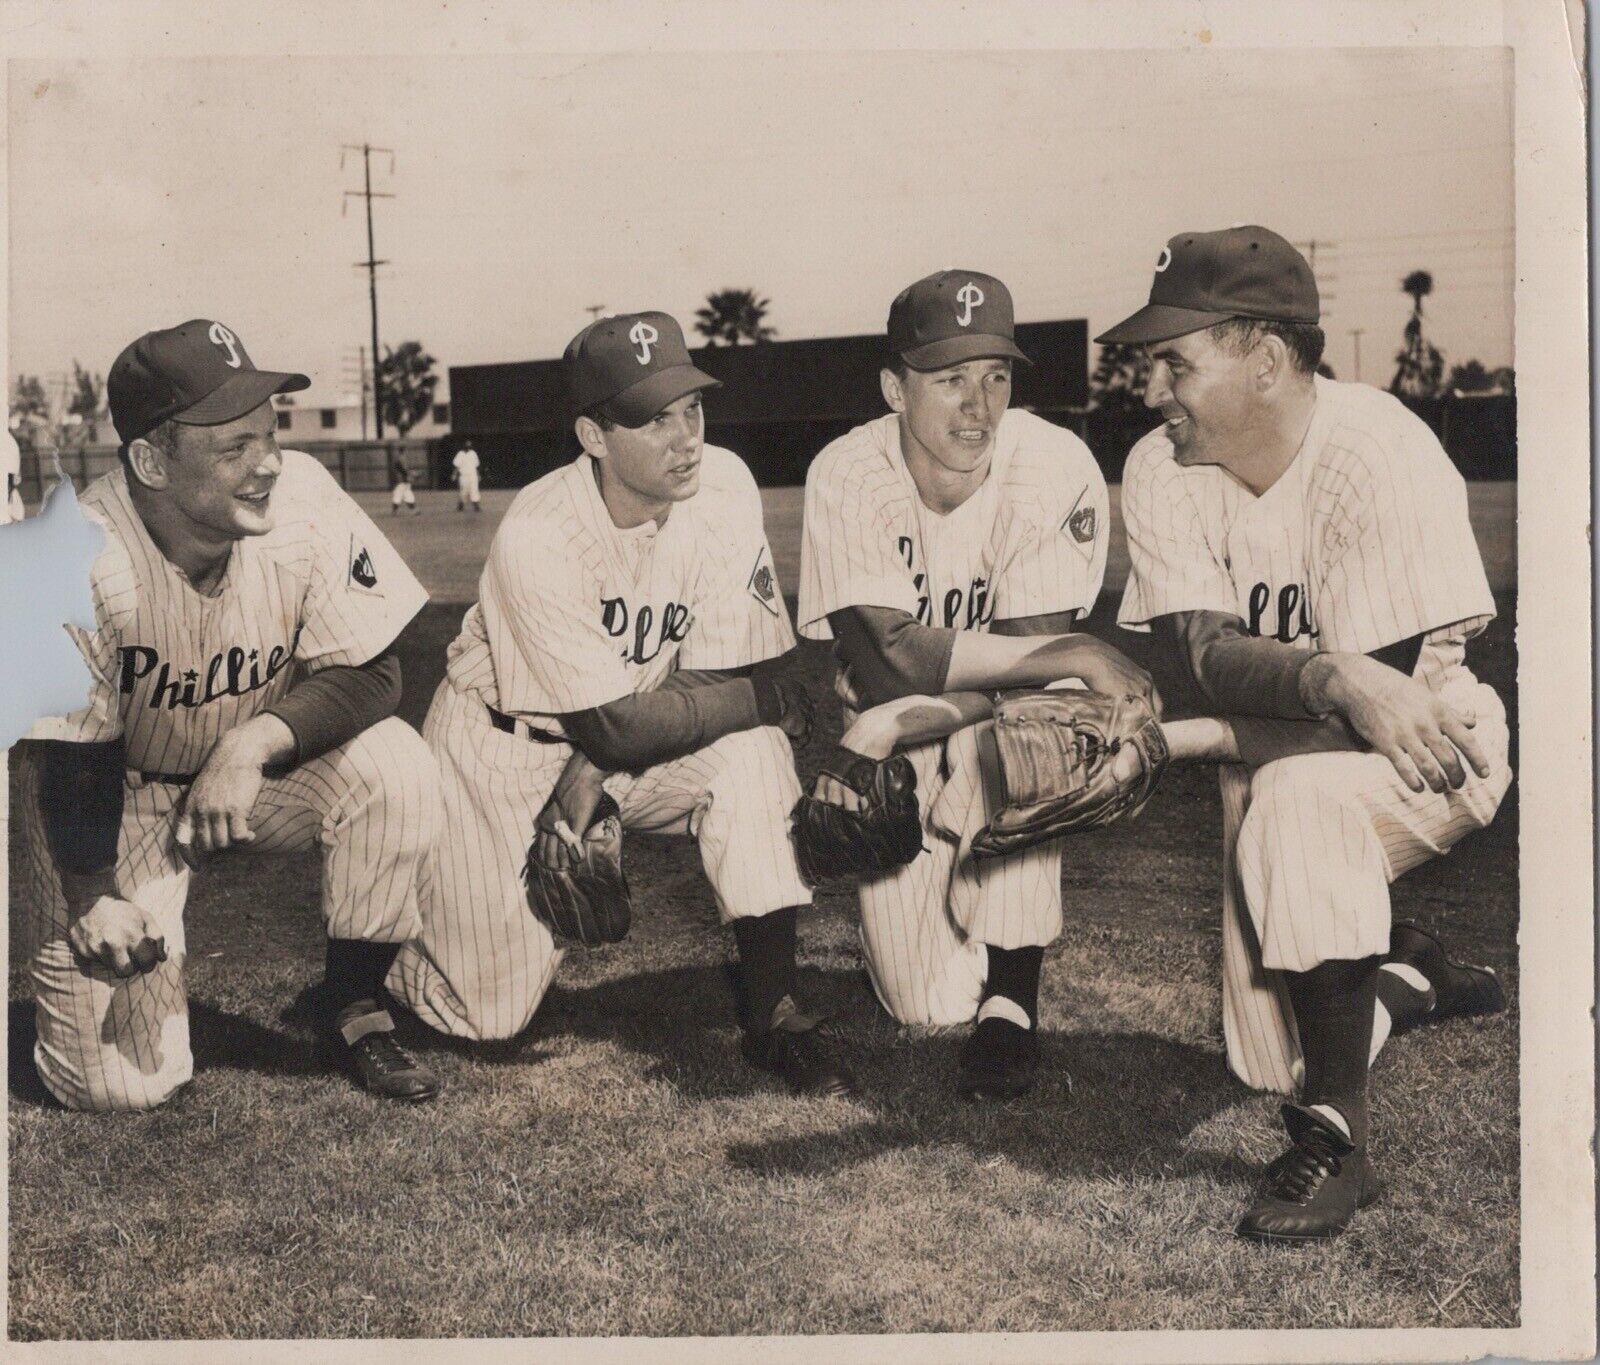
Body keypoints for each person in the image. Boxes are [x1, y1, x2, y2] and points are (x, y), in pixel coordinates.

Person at [1096, 226, 1511, 1240]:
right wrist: (1322, 672)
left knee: (1296, 804)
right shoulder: (1161, 464)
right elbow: (1208, 657)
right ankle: (1404, 977)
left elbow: (1383, 726)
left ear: (1266, 362)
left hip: (1437, 745)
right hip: (1282, 744)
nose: (1151, 389)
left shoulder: (1377, 450)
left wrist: (1178, 744)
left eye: (1175, 363)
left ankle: (1333, 1140)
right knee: (1263, 1052)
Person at [388, 311, 855, 1096]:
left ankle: (776, 1007)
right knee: (485, 1016)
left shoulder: (724, 486)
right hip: (502, 746)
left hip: (636, 729)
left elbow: (720, 669)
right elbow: (618, 723)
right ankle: (402, 939)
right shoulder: (541, 532)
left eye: (692, 409)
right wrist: (766, 695)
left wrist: (593, 776)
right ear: (594, 436)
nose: (686, 438)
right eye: (653, 419)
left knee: (753, 754)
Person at [17, 319, 442, 1111]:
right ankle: (63, 1006)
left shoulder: (306, 498)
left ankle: (354, 1005)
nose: (269, 464)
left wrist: (253, 743)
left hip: (255, 776)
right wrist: (91, 895)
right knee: (119, 1088)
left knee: (397, 765)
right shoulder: (66, 554)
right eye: (233, 447)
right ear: (150, 461)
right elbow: (70, 762)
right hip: (113, 796)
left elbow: (377, 670)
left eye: (270, 433)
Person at [796, 270, 1154, 1101]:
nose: (977, 404)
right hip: (897, 734)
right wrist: (1065, 654)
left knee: (1035, 725)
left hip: (956, 725)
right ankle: (965, 925)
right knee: (922, 1005)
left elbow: (1032, 665)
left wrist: (898, 718)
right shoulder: (846, 472)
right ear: (895, 388)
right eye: (949, 377)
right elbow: (889, 658)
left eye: (996, 375)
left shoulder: (1054, 462)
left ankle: (1012, 998)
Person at [452, 439, 481, 512]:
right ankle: (461, 504)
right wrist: (454, 474)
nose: (468, 447)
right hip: (464, 475)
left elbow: (475, 465)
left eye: (469, 445)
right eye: (467, 445)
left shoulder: (473, 453)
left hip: (473, 475)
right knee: (464, 490)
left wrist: (478, 475)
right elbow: (457, 466)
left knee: (474, 489)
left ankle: (476, 506)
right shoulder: (460, 454)